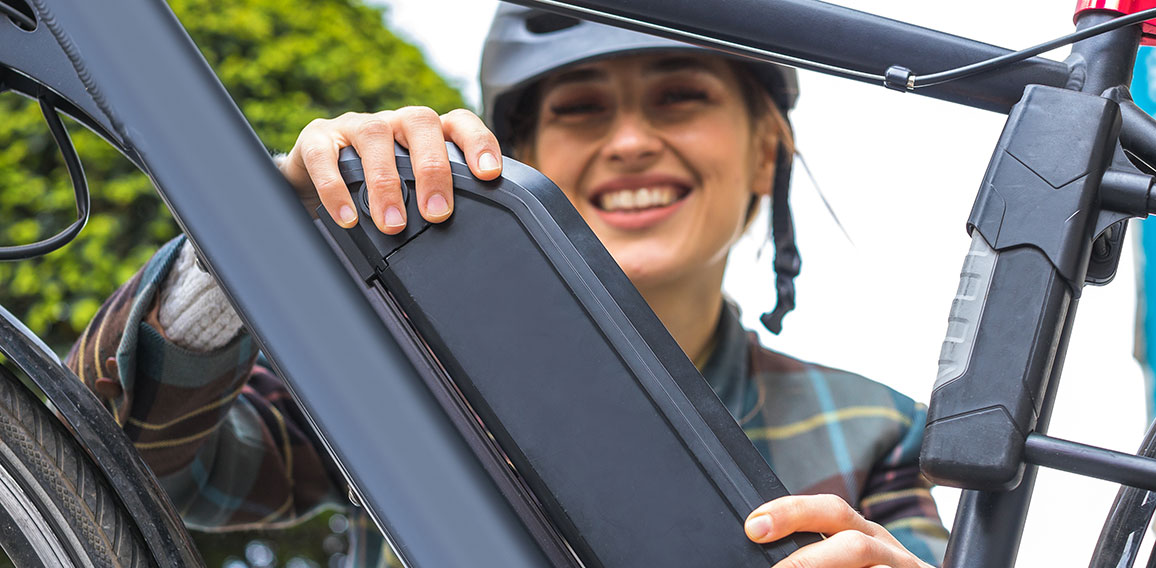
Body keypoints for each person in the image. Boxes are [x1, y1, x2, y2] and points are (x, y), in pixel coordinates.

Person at [67, 5, 948, 567]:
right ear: (518, 156)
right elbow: (114, 462)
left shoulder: (878, 432)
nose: (632, 141)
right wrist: (254, 237)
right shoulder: (406, 365)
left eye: (680, 97)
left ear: (766, 151)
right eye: (580, 108)